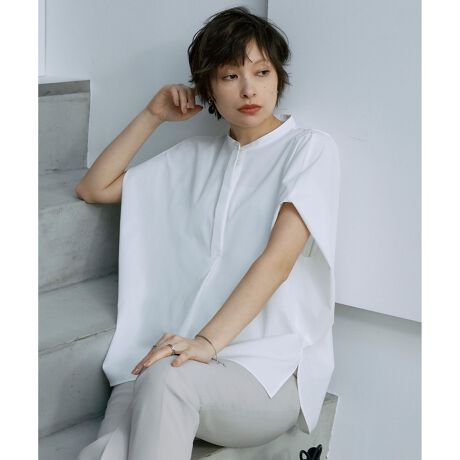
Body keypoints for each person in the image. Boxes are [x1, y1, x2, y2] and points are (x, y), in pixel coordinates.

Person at [75, 6, 340, 460]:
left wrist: (206, 343)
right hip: (168, 359)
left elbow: (277, 261)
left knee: (167, 377)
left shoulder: (309, 150)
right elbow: (94, 188)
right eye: (230, 76)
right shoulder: (192, 156)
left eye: (261, 72)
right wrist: (153, 114)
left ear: (279, 77)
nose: (249, 89)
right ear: (209, 89)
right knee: (105, 453)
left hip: (263, 374)